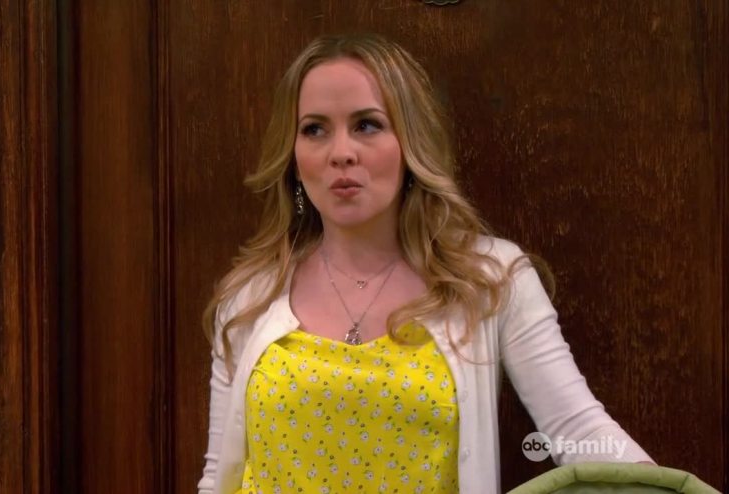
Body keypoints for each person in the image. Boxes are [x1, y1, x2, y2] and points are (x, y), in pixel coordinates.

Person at [198, 33, 653, 494]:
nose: (341, 153)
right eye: (315, 129)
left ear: (410, 140)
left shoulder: (490, 280)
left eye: (367, 125)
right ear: (294, 156)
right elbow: (218, 477)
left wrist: (667, 489)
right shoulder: (249, 298)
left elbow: (579, 432)